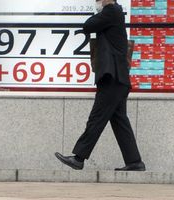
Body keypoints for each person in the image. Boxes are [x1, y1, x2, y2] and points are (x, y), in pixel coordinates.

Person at [55, 0, 145, 172]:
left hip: (113, 79)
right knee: (119, 121)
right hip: (118, 80)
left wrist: (101, 9)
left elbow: (87, 26)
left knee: (97, 118)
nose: (97, 2)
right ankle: (135, 161)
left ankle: (79, 158)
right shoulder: (114, 13)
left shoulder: (111, 11)